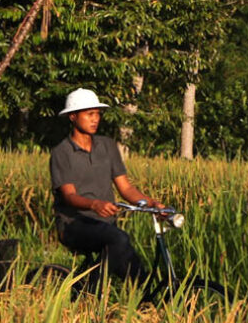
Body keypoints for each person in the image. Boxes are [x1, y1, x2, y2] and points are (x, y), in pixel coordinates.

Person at [47, 88, 164, 282]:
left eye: (98, 114)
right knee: (119, 238)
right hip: (73, 225)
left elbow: (126, 188)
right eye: (89, 114)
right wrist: (94, 204)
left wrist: (152, 204)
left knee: (137, 275)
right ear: (73, 117)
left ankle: (145, 297)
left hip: (106, 224)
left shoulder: (108, 146)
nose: (95, 119)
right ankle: (92, 293)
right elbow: (69, 196)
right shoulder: (62, 152)